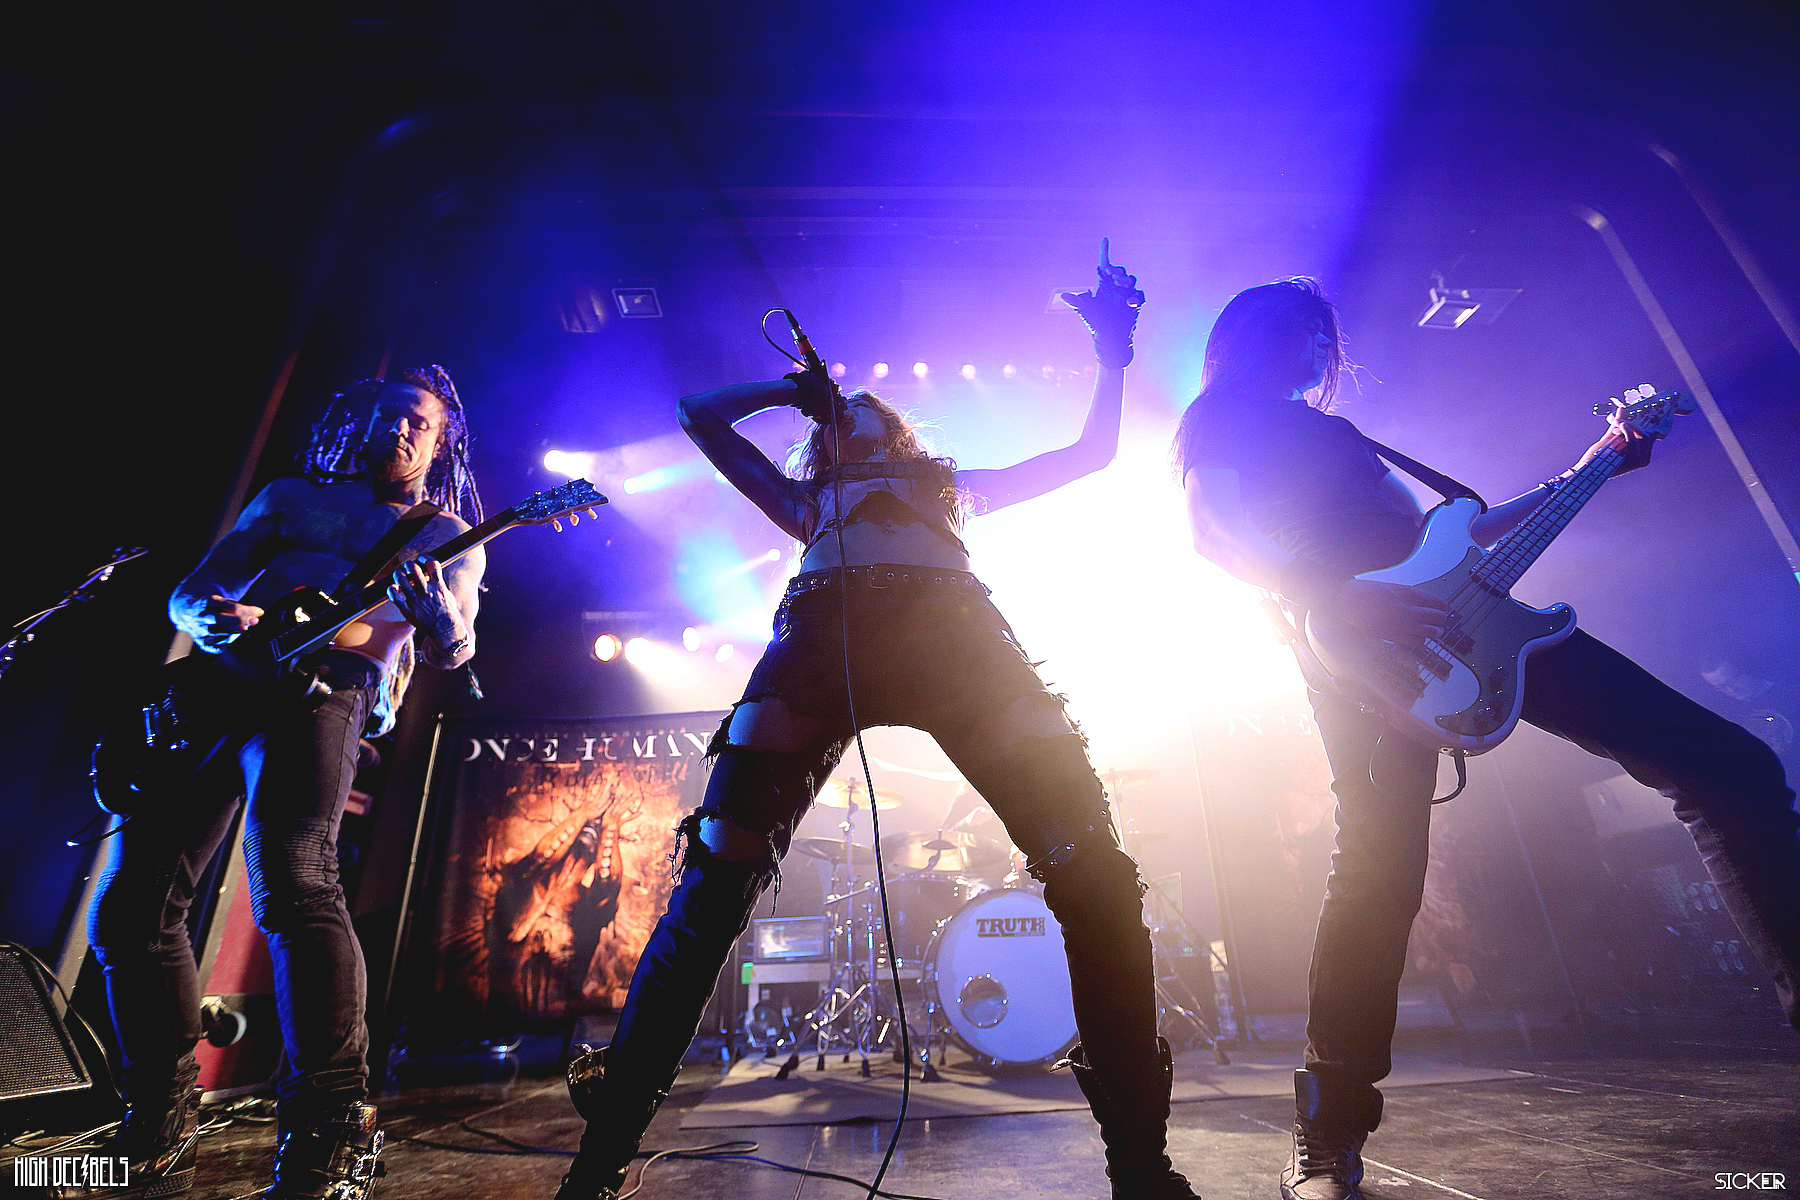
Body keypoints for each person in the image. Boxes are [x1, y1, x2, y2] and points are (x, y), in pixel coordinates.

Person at [556, 247, 1198, 1200]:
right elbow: (698, 415)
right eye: (838, 414)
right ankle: (599, 1162)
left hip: (960, 644)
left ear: (896, 430)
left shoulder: (949, 487)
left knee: (1096, 873)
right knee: (717, 879)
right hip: (822, 642)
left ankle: (1142, 1165)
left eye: (865, 408)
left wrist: (1114, 354)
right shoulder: (807, 499)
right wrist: (792, 392)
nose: (850, 413)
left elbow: (1088, 455)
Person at [1176, 279, 1800, 1200]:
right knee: (1379, 873)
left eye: (1324, 332)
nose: (1315, 343)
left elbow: (1457, 537)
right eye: (1296, 328)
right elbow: (1212, 532)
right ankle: (1327, 1134)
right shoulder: (1220, 419)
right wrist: (1335, 594)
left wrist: (1591, 468)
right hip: (1360, 652)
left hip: (1475, 620)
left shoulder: (1340, 434)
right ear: (1245, 339)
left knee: (1729, 766)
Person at [84, 366, 485, 1199]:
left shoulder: (444, 532)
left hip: (327, 692)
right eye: (386, 414)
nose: (398, 428)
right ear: (360, 423)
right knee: (129, 909)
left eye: (416, 421)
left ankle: (328, 1133)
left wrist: (441, 619)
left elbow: (456, 646)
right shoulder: (290, 499)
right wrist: (201, 613)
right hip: (220, 690)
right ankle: (156, 1122)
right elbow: (192, 590)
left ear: (440, 441)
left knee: (295, 885)